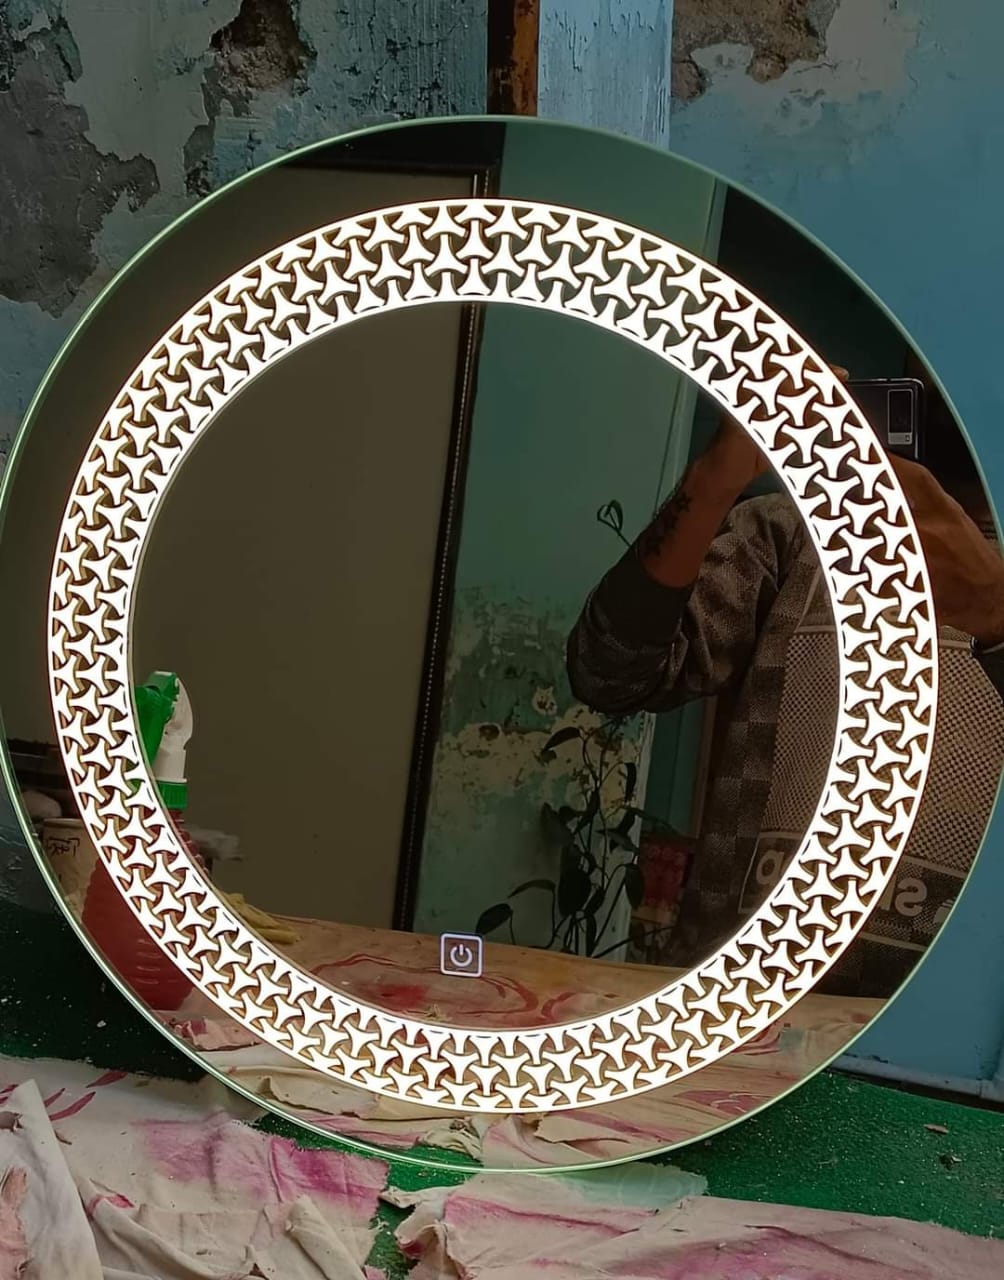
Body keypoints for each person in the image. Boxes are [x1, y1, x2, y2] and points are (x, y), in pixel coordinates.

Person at [567, 366, 1004, 996]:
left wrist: (998, 616)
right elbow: (606, 672)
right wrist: (714, 480)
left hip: (959, 1029)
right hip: (733, 1006)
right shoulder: (796, 532)